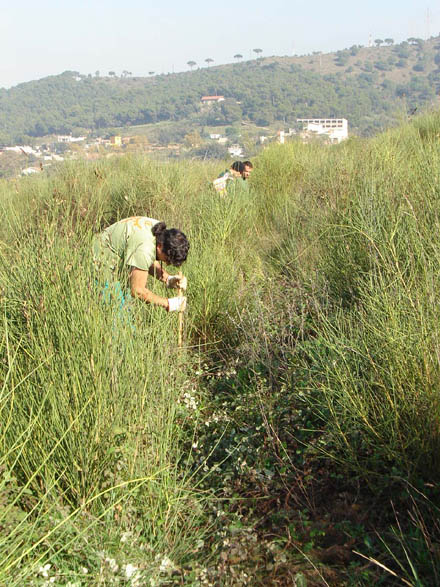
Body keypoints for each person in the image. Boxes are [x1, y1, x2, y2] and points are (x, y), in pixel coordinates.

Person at [93, 217, 189, 312]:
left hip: (114, 259)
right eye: (167, 259)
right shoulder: (144, 248)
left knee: (127, 307)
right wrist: (168, 304)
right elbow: (137, 290)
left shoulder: (158, 230)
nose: (167, 264)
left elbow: (146, 258)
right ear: (160, 246)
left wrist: (168, 279)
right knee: (119, 318)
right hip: (99, 263)